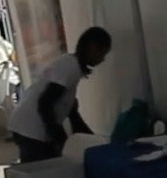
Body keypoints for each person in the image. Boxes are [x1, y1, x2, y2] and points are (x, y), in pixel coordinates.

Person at [8, 26, 109, 162]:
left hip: (27, 125)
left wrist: (94, 142)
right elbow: (45, 104)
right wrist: (59, 139)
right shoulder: (70, 67)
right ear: (91, 48)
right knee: (44, 172)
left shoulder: (72, 68)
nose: (102, 59)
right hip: (31, 127)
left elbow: (73, 115)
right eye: (101, 53)